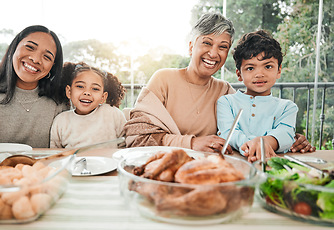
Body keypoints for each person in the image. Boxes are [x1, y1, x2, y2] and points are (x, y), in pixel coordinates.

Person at [123, 12, 315, 154]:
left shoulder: (225, 92)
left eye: (222, 47)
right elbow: (135, 137)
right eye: (207, 43)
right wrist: (190, 143)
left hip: (206, 170)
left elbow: (250, 126)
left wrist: (292, 139)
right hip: (158, 164)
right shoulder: (163, 78)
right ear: (191, 46)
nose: (214, 53)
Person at [0, 25, 69, 148]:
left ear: (52, 67)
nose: (35, 59)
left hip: (49, 167)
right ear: (14, 48)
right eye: (30, 47)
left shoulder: (59, 104)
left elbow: (67, 154)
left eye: (47, 57)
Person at [217, 30, 298, 162]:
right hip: (234, 164)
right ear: (239, 74)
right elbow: (228, 133)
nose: (259, 74)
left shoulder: (287, 107)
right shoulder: (226, 102)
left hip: (271, 165)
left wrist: (265, 141)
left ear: (279, 71)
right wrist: (255, 146)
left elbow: (286, 134)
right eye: (250, 68)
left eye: (268, 66)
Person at [50, 62, 127, 148]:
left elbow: (125, 147)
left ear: (103, 97)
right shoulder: (61, 121)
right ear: (69, 91)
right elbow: (55, 153)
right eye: (80, 86)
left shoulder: (113, 114)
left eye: (95, 89)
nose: (87, 93)